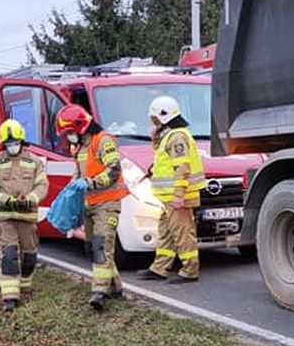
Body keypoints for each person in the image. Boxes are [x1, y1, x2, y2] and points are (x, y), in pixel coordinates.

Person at [57, 104, 128, 310]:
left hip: (107, 202)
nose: (68, 136)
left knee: (100, 246)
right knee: (92, 247)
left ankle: (99, 292)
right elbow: (79, 174)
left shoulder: (102, 141)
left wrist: (90, 183)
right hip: (90, 204)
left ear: (80, 127)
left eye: (69, 132)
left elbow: (114, 171)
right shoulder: (81, 146)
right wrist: (71, 194)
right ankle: (115, 287)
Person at [135, 96, 205, 284]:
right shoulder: (170, 135)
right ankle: (160, 268)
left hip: (177, 196)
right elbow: (163, 159)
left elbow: (182, 167)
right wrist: (155, 137)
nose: (153, 121)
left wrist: (178, 195)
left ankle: (190, 270)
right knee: (166, 231)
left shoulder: (177, 136)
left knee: (182, 232)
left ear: (163, 116)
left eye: (155, 118)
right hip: (169, 197)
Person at [0, 119, 48, 311]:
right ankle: (10, 297)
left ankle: (25, 286)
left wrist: (31, 199)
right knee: (9, 255)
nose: (13, 146)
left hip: (27, 217)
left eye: (15, 142)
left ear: (21, 141)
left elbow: (42, 185)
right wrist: (5, 199)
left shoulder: (34, 162)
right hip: (5, 217)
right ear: (3, 144)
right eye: (9, 143)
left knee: (30, 256)